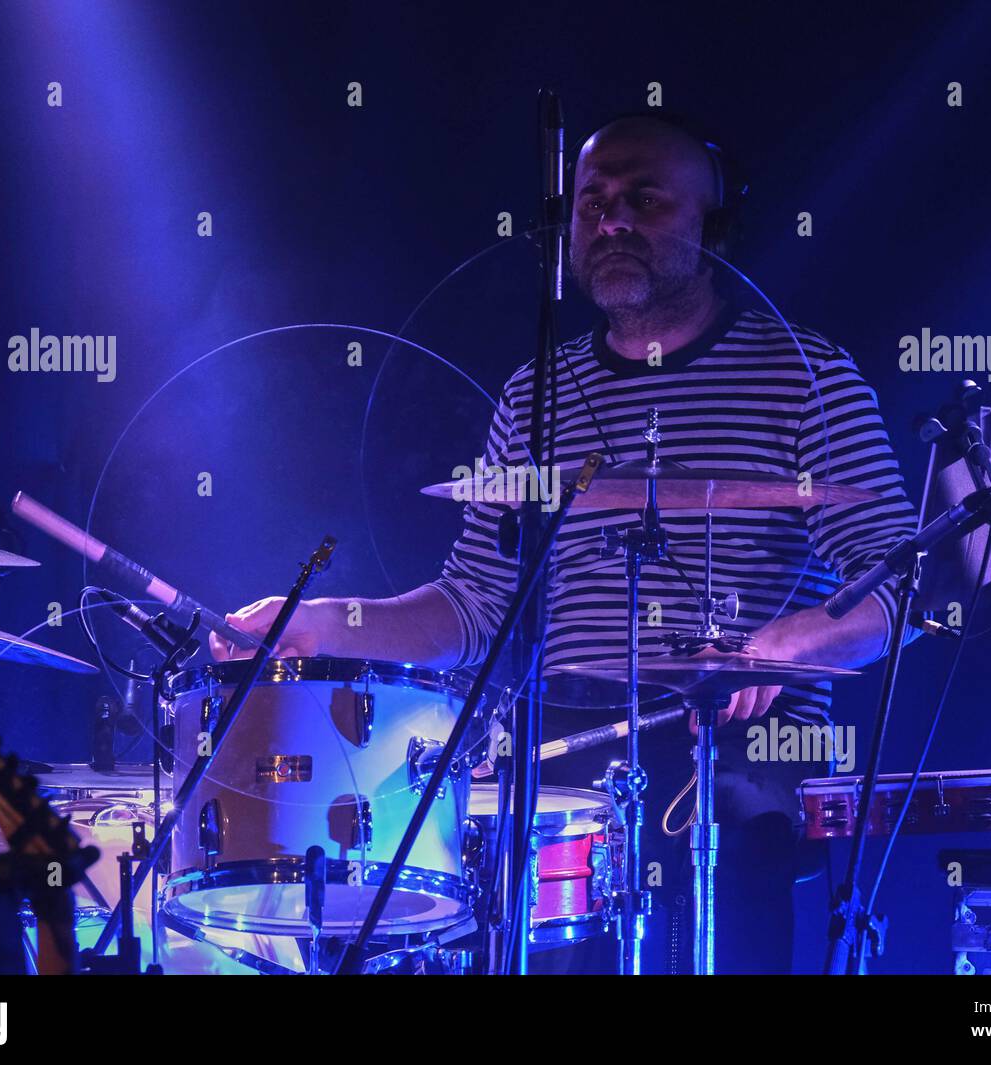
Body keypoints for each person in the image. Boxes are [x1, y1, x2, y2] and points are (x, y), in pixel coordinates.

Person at [212, 113, 918, 973]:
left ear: (714, 220)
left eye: (645, 198)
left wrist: (781, 646)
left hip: (732, 763)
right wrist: (324, 619)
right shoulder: (538, 392)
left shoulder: (806, 377)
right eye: (593, 203)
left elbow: (903, 584)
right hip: (564, 763)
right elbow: (471, 604)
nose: (612, 221)